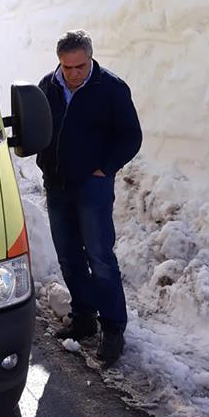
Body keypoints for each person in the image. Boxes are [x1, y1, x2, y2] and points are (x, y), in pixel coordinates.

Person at [36, 30, 142, 365]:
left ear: (91, 58)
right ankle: (84, 316)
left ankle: (113, 328)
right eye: (67, 67)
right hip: (57, 183)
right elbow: (36, 126)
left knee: (99, 255)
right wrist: (42, 158)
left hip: (92, 185)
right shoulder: (47, 87)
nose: (74, 74)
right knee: (68, 254)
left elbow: (131, 136)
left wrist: (105, 168)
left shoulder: (110, 88)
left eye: (80, 66)